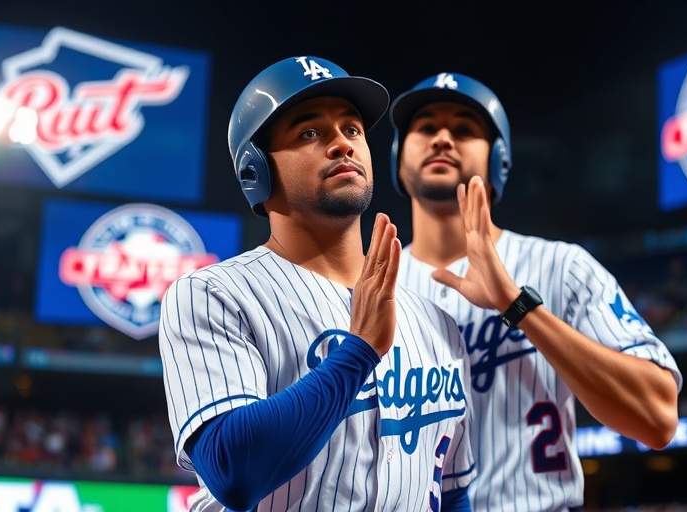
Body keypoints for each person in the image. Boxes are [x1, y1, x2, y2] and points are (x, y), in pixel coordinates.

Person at [158, 57, 476, 512]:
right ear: (255, 170)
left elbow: (453, 492)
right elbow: (233, 469)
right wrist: (359, 352)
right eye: (310, 132)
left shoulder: (437, 324)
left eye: (352, 129)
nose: (341, 144)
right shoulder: (213, 295)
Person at [388, 72, 683, 511]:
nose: (443, 137)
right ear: (398, 155)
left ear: (498, 160)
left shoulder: (562, 267)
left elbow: (657, 417)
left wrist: (516, 304)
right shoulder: (372, 290)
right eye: (426, 126)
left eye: (465, 129)